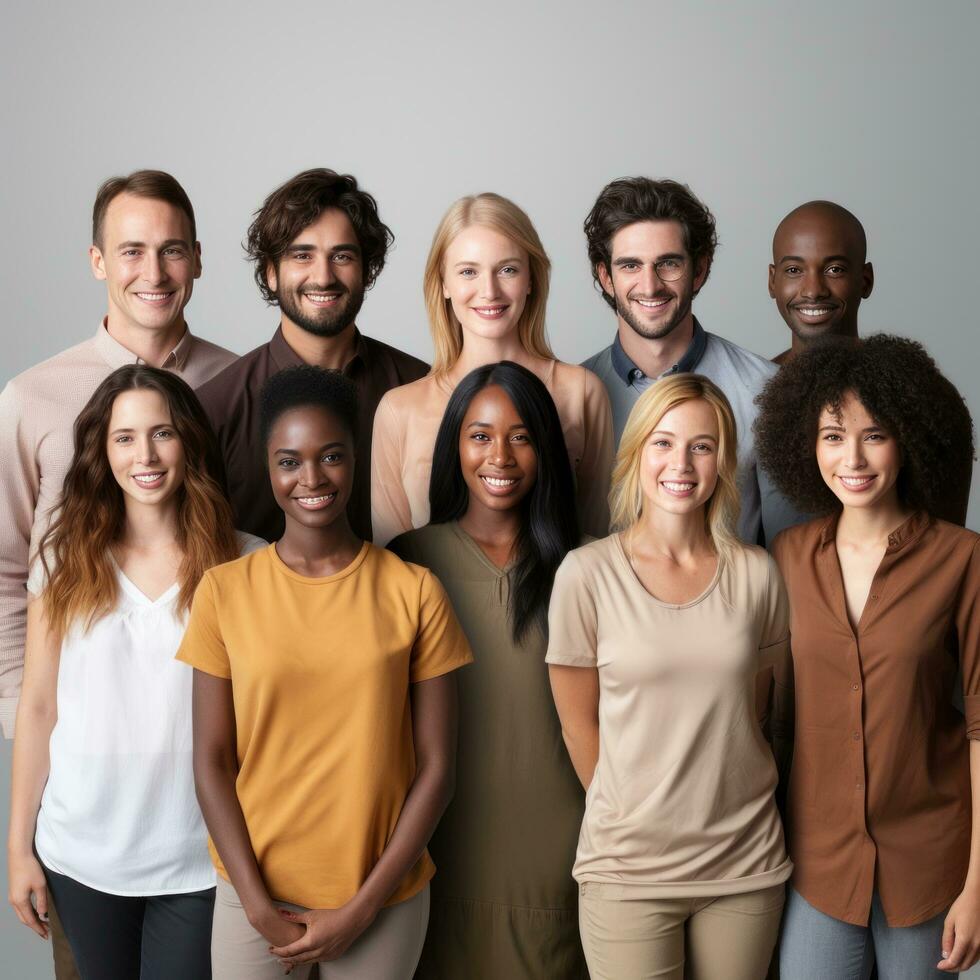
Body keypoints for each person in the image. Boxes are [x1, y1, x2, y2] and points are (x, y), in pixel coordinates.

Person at [0, 170, 235, 980]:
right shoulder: (33, 397)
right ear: (98, 260)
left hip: (195, 832)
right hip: (83, 819)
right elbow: (7, 574)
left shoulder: (237, 387)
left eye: (171, 250)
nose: (153, 270)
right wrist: (31, 788)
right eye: (132, 250)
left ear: (199, 260)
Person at [178, 366, 472, 979]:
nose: (311, 478)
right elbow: (210, 758)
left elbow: (438, 768)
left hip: (380, 895)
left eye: (330, 456)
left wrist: (364, 907)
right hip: (253, 893)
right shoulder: (224, 591)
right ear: (267, 466)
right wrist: (257, 908)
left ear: (356, 459)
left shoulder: (414, 590)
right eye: (290, 460)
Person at [7, 366, 262, 979]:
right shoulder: (63, 561)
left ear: (189, 443)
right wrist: (18, 847)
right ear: (101, 450)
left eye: (162, 434)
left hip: (202, 854)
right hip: (81, 852)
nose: (143, 455)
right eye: (123, 438)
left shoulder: (246, 562)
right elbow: (39, 704)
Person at [547, 374, 791, 980]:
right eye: (663, 442)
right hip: (628, 871)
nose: (680, 463)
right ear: (637, 453)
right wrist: (636, 812)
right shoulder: (586, 574)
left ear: (722, 463)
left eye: (701, 446)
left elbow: (759, 712)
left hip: (745, 865)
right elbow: (580, 728)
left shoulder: (759, 575)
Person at [755, 335, 980, 979]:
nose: (851, 457)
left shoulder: (962, 560)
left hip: (930, 866)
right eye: (831, 435)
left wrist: (977, 887)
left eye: (873, 434)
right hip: (817, 864)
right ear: (807, 445)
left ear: (909, 438)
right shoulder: (788, 558)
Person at [389, 361, 588, 979]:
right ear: (455, 446)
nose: (499, 455)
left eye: (521, 436)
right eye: (479, 435)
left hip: (559, 853)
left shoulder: (584, 572)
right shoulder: (409, 563)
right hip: (441, 846)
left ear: (545, 450)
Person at [196, 168, 428, 542]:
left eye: (342, 257)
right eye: (302, 256)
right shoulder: (216, 409)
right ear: (271, 272)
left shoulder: (422, 388)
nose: (322, 277)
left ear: (367, 271)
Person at [371, 192, 614, 546]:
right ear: (443, 283)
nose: (489, 290)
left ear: (531, 279)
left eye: (508, 270)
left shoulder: (581, 392)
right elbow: (391, 563)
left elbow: (597, 545)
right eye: (468, 271)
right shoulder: (399, 410)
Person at [581, 176, 804, 545]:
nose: (650, 286)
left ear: (699, 269)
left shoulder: (769, 391)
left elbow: (792, 552)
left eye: (668, 264)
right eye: (630, 266)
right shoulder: (574, 399)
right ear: (606, 276)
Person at [767, 202, 972, 525]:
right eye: (794, 270)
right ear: (772, 281)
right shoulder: (751, 388)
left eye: (835, 269)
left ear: (865, 280)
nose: (813, 290)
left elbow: (949, 549)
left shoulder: (917, 393)